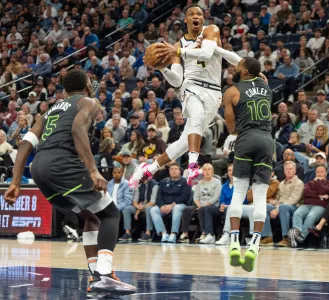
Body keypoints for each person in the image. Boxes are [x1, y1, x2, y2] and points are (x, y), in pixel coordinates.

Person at [4, 69, 136, 295]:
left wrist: (16, 181)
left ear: (64, 90)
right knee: (111, 213)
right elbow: (76, 129)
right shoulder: (88, 101)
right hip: (63, 164)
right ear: (86, 85)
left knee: (92, 217)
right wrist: (93, 170)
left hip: (39, 170)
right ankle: (104, 275)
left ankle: (96, 276)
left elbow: (25, 143)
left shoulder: (50, 110)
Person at [132, 5, 231, 188]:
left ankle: (149, 168)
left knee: (183, 143)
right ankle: (192, 166)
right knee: (197, 115)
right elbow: (177, 81)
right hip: (191, 87)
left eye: (199, 14)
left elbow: (207, 53)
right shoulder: (178, 45)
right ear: (185, 19)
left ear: (202, 19)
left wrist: (177, 52)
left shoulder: (211, 31)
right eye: (192, 14)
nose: (196, 16)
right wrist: (162, 68)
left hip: (213, 92)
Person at [222, 57, 274, 272]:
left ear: (244, 71)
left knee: (239, 193)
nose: (235, 66)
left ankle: (234, 242)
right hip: (266, 141)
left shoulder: (232, 92)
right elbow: (260, 76)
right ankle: (254, 245)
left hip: (245, 139)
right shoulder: (266, 86)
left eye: (239, 64)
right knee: (260, 196)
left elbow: (231, 127)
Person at [287, 164, 329, 248]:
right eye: (318, 172)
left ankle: (301, 237)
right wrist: (319, 195)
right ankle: (296, 232)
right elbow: (306, 192)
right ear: (315, 173)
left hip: (320, 206)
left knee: (311, 216)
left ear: (326, 173)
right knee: (297, 213)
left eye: (322, 172)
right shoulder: (309, 183)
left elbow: (323, 189)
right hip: (307, 204)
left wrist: (318, 183)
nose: (319, 174)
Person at [261, 161, 304, 247]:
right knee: (266, 206)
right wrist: (274, 202)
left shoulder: (299, 183)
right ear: (284, 171)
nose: (289, 171)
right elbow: (278, 198)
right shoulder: (281, 184)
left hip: (294, 207)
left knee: (284, 207)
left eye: (291, 169)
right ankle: (268, 236)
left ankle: (286, 238)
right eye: (287, 169)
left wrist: (277, 208)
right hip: (281, 206)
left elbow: (293, 200)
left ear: (295, 171)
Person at [150, 162, 192, 243]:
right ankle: (164, 233)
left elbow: (184, 197)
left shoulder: (185, 181)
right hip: (165, 205)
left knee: (176, 208)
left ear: (180, 171)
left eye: (176, 169)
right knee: (153, 210)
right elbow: (159, 197)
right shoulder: (163, 182)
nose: (173, 171)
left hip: (179, 205)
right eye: (172, 169)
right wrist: (161, 206)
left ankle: (173, 233)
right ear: (169, 172)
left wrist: (172, 205)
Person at [180, 164, 222, 244]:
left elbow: (216, 197)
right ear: (202, 172)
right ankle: (185, 233)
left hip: (212, 206)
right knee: (186, 209)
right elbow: (195, 197)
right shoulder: (199, 183)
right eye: (205, 169)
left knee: (203, 209)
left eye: (209, 169)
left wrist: (203, 206)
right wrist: (199, 205)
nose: (207, 171)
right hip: (199, 205)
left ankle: (204, 233)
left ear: (212, 171)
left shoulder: (217, 182)